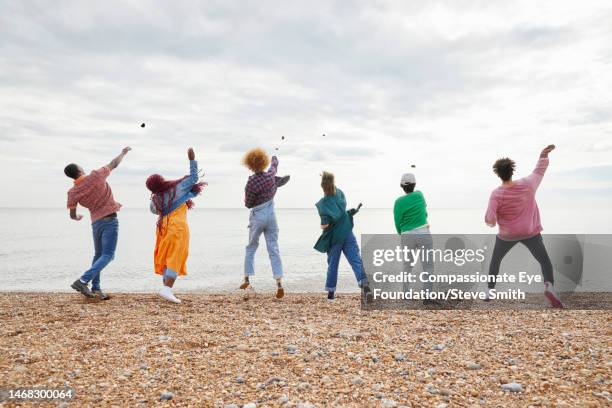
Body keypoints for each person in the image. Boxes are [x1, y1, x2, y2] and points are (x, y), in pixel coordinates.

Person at [485, 144, 564, 308]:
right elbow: (539, 171)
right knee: (544, 261)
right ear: (512, 171)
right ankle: (550, 287)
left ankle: (489, 291)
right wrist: (543, 155)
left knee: (495, 261)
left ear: (498, 174)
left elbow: (490, 220)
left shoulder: (496, 194)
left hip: (507, 235)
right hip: (530, 232)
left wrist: (492, 222)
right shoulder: (528, 184)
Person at [65, 146, 131, 300]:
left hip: (96, 223)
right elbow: (114, 163)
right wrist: (123, 153)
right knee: (108, 255)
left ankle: (96, 288)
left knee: (99, 255)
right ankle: (82, 281)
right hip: (109, 220)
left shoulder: (72, 192)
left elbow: (72, 214)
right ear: (80, 170)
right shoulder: (95, 176)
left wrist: (77, 217)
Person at [146, 148, 205, 304]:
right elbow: (193, 178)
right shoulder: (176, 188)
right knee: (175, 257)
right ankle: (167, 290)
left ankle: (166, 289)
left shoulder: (155, 199)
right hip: (177, 227)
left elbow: (153, 210)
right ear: (163, 180)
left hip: (163, 228)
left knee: (166, 257)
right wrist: (192, 159)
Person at [314, 172, 372, 303]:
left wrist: (323, 226)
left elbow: (325, 225)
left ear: (322, 187)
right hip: (347, 232)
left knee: (333, 265)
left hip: (335, 238)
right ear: (333, 183)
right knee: (356, 260)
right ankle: (366, 288)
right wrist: (326, 176)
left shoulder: (322, 204)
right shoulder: (340, 194)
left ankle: (330, 294)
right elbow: (341, 210)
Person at [240, 148, 290, 299]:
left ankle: (247, 278)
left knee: (251, 247)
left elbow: (248, 204)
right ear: (264, 162)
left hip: (258, 216)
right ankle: (279, 283)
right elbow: (274, 165)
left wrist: (250, 201)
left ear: (250, 165)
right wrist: (274, 157)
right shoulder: (270, 175)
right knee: (273, 248)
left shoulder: (251, 182)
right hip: (271, 215)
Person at [393, 173, 439, 305]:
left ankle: (406, 295)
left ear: (401, 186)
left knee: (407, 266)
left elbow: (397, 221)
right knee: (428, 266)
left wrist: (401, 233)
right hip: (424, 232)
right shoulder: (419, 194)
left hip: (407, 234)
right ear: (414, 184)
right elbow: (425, 213)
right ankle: (427, 297)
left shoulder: (398, 202)